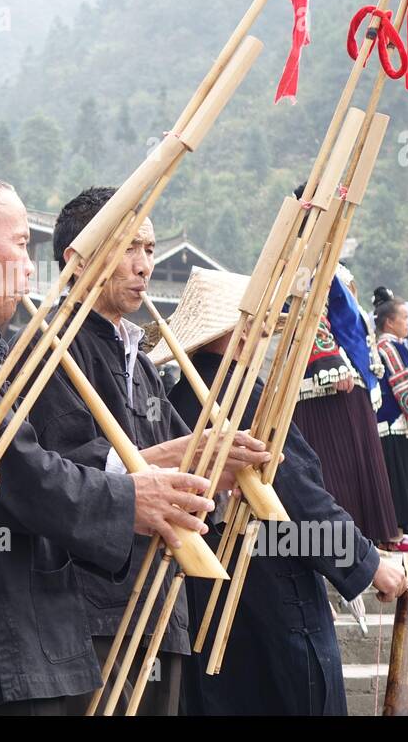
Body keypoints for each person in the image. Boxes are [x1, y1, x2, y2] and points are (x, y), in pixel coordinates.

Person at [0, 172, 237, 716]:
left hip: (29, 638)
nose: (30, 265)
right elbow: (14, 470)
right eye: (21, 245)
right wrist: (133, 496)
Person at [24, 187, 252, 715]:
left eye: (149, 250)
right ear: (76, 260)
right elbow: (61, 466)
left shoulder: (144, 360)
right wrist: (179, 458)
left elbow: (189, 465)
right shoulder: (51, 346)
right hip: (92, 601)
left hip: (158, 596)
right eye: (129, 248)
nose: (144, 265)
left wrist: (225, 465)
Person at [149, 267, 406, 715]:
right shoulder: (244, 395)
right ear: (237, 330)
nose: (264, 332)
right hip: (266, 588)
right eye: (257, 322)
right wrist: (366, 563)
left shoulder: (181, 398)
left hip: (206, 592)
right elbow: (299, 502)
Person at [289, 265, 397, 545]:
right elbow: (307, 310)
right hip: (326, 382)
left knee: (359, 462)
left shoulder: (331, 265)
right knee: (337, 463)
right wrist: (329, 361)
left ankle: (363, 540)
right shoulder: (306, 263)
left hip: (353, 381)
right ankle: (339, 541)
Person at [373, 288, 408, 541]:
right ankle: (396, 532)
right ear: (390, 322)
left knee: (403, 477)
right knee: (399, 478)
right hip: (394, 422)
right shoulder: (387, 346)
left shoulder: (395, 346)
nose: (407, 323)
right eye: (404, 318)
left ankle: (401, 531)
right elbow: (402, 384)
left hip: (398, 423)